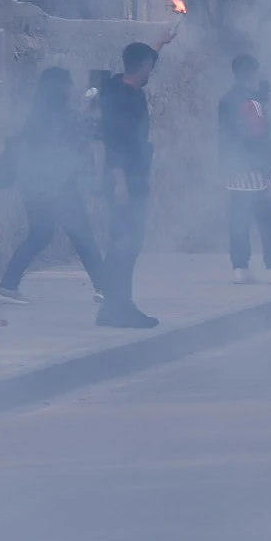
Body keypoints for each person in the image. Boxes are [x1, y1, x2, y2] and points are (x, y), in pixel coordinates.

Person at [0, 68, 106, 305]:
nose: (70, 88)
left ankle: (7, 285)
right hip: (59, 188)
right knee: (83, 236)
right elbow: (89, 134)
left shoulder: (34, 117)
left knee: (40, 234)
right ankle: (106, 288)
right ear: (61, 88)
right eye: (68, 84)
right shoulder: (67, 116)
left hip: (33, 188)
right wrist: (94, 107)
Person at [98, 40, 165, 329]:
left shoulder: (120, 89)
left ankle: (115, 307)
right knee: (124, 246)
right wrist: (120, 182)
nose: (153, 69)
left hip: (132, 179)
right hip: (124, 182)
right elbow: (115, 143)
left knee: (126, 245)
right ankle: (118, 308)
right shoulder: (123, 99)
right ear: (145, 67)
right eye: (151, 65)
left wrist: (160, 43)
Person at [220, 55, 271, 285]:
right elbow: (257, 137)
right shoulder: (252, 103)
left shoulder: (226, 99)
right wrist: (269, 173)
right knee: (269, 219)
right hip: (256, 172)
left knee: (239, 221)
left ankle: (240, 268)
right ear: (253, 73)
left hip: (234, 170)